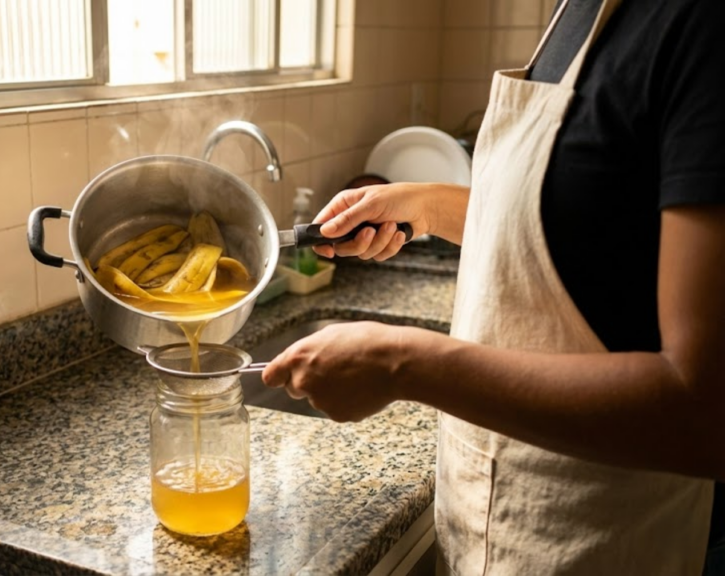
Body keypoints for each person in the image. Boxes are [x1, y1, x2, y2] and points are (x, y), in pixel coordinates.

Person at [262, 0, 725, 573]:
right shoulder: (575, 13)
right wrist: (427, 206)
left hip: (598, 542)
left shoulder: (703, 29)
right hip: (490, 529)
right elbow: (586, 219)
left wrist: (401, 362)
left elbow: (706, 412)